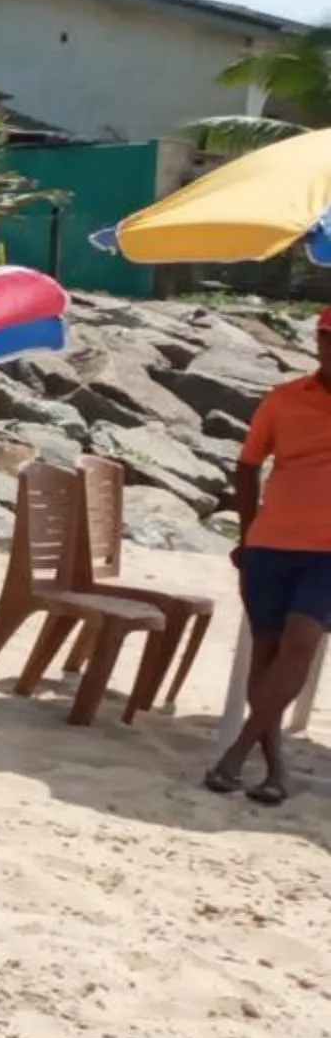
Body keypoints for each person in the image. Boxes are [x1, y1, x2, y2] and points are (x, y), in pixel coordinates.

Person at [208, 307, 331, 804]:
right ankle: (276, 768)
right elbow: (247, 466)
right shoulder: (283, 401)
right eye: (328, 338)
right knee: (267, 656)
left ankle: (236, 752)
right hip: (270, 544)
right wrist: (246, 534)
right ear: (318, 341)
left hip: (327, 553)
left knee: (299, 645)